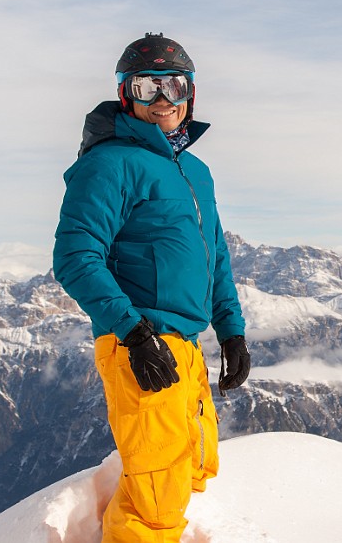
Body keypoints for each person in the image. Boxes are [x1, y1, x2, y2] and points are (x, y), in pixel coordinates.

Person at [53, 32, 251, 542]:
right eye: (147, 87)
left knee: (194, 465)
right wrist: (134, 334)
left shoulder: (194, 171)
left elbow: (215, 253)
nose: (163, 99)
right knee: (157, 501)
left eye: (174, 85)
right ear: (126, 95)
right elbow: (75, 258)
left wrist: (231, 330)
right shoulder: (108, 163)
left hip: (185, 347)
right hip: (137, 343)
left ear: (191, 94)